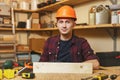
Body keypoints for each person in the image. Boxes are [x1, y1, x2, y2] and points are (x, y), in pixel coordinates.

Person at [40, 5, 100, 69]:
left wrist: (73, 68)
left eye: (67, 22)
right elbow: (41, 64)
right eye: (61, 22)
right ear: (57, 24)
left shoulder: (81, 42)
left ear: (74, 24)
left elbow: (95, 64)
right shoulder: (49, 41)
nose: (64, 26)